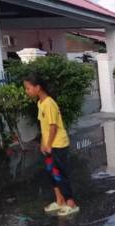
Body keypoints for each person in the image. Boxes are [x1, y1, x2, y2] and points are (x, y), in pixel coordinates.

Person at [23, 74, 79, 217]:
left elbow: (53, 127)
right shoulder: (40, 103)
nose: (27, 91)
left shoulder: (49, 103)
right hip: (49, 145)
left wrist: (48, 145)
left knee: (60, 173)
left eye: (28, 88)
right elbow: (44, 127)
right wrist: (43, 143)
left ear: (38, 87)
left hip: (58, 144)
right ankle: (60, 200)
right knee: (51, 172)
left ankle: (71, 203)